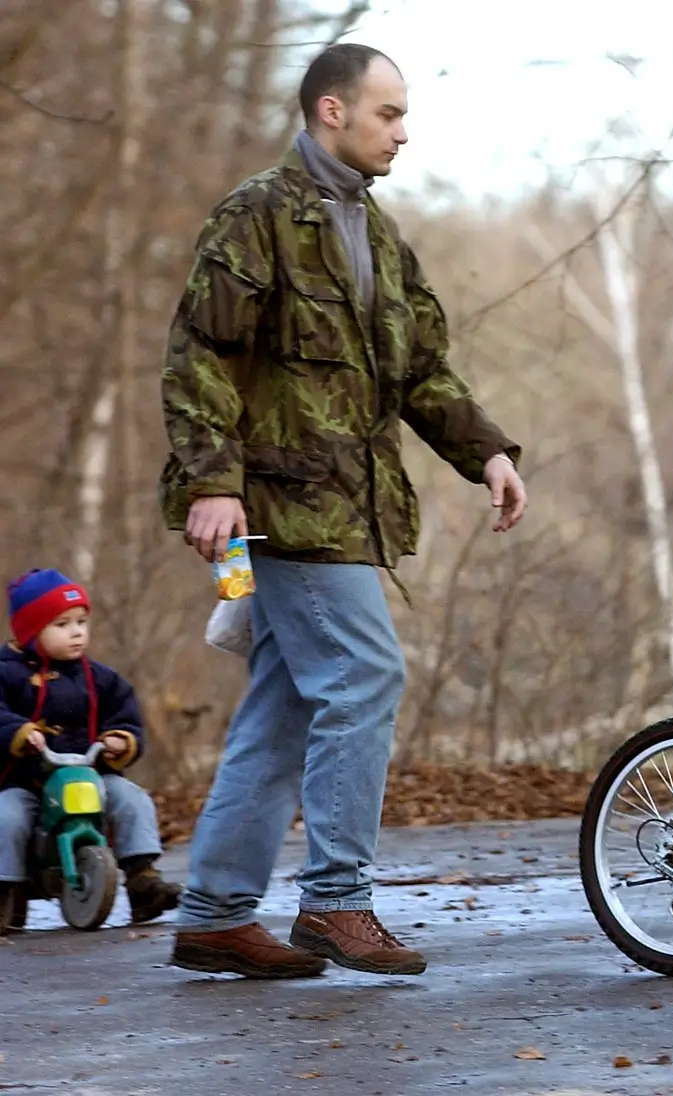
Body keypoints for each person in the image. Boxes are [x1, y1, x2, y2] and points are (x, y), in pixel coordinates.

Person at [158, 43, 527, 979]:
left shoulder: (378, 231)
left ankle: (213, 915)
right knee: (364, 677)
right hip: (286, 508)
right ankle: (335, 902)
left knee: (285, 710)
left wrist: (485, 451)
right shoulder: (257, 217)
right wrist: (212, 479)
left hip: (353, 513)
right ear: (332, 111)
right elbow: (201, 354)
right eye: (388, 113)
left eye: (404, 115)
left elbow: (422, 372)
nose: (403, 131)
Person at [0, 569, 182, 933]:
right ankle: (6, 888)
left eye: (82, 621)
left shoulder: (99, 678)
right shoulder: (7, 673)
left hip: (90, 774)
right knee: (7, 817)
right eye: (62, 624)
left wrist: (120, 739)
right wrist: (18, 733)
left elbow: (125, 714)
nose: (77, 632)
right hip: (26, 779)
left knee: (131, 799)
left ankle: (142, 878)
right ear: (30, 631)